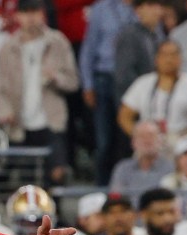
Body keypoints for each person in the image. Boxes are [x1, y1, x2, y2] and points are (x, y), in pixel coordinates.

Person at [0, 0, 79, 185]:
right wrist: (4, 111)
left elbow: (73, 82)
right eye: (25, 13)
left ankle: (57, 213)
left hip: (51, 121)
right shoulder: (7, 48)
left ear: (42, 14)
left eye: (34, 12)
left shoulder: (57, 42)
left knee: (56, 176)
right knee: (27, 180)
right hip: (20, 125)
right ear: (17, 16)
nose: (30, 18)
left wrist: (56, 78)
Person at [117, 41, 187, 152]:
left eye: (173, 55)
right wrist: (139, 135)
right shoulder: (143, 83)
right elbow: (124, 115)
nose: (169, 60)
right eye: (164, 55)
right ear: (156, 59)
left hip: (178, 138)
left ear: (180, 58)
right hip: (150, 140)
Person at [79, 0, 137, 185]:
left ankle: (127, 187)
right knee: (104, 141)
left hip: (133, 82)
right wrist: (87, 84)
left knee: (129, 139)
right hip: (104, 78)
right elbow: (88, 48)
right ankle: (102, 188)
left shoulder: (142, 6)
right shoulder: (100, 9)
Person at [108, 120, 175, 206]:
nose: (147, 141)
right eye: (141, 136)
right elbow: (115, 198)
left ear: (160, 141)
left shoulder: (170, 168)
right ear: (133, 143)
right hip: (129, 216)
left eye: (151, 136)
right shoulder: (122, 168)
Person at [112, 0, 166, 102]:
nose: (157, 11)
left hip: (156, 99)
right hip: (136, 101)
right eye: (151, 5)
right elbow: (124, 77)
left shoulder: (160, 36)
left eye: (160, 6)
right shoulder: (129, 35)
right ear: (138, 9)